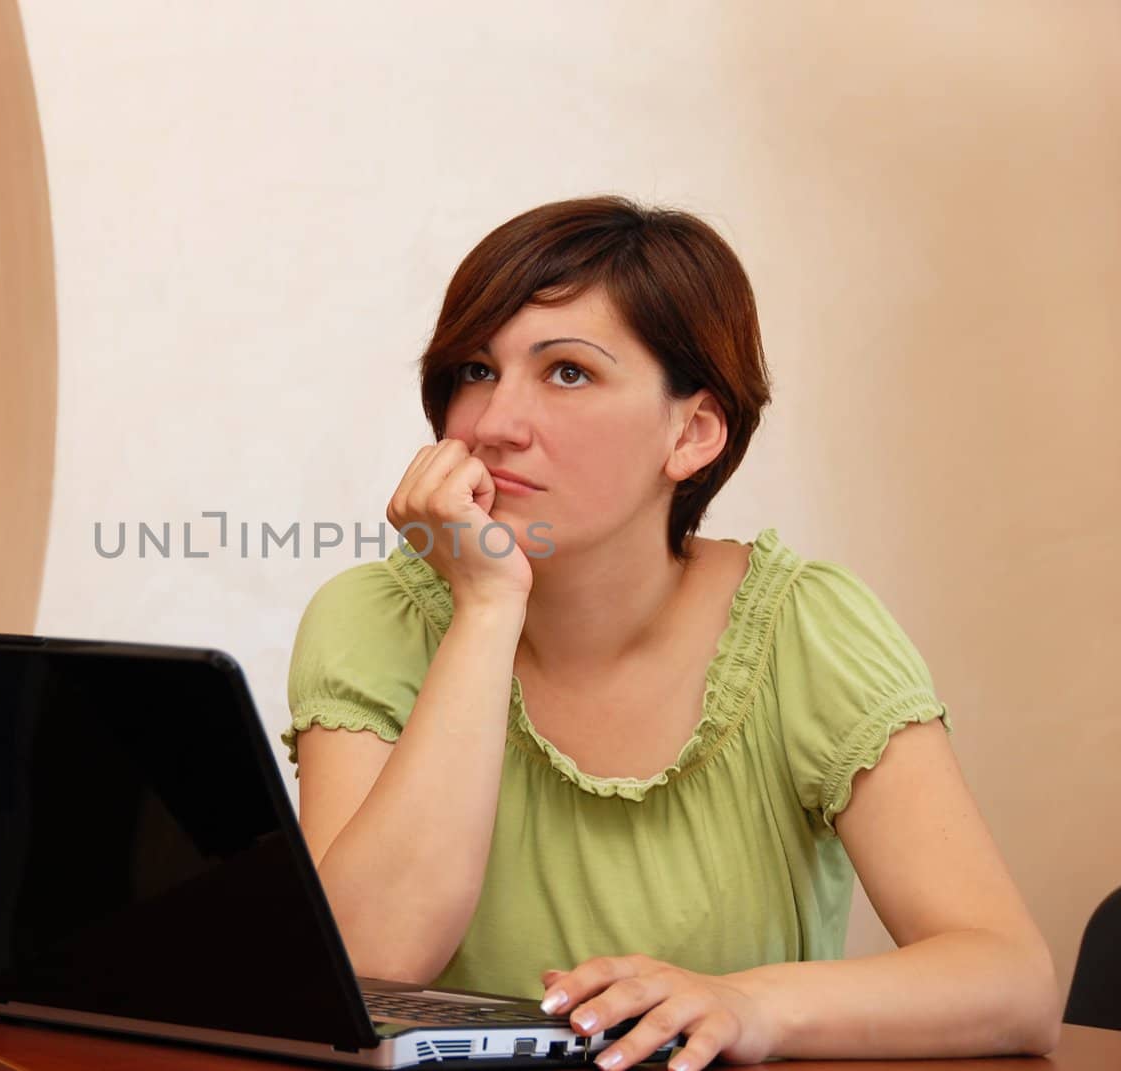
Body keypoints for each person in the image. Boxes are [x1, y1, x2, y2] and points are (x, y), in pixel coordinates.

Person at [281, 197, 1061, 1071]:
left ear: (691, 432)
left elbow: (1011, 981)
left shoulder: (805, 626)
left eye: (568, 371)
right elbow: (360, 967)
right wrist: (488, 609)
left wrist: (748, 1004)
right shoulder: (373, 617)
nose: (495, 423)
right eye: (474, 369)